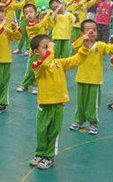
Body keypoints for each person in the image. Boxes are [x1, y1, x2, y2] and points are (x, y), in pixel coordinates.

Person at [29, 34, 88, 169]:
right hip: (44, 104)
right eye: (45, 47)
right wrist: (51, 49)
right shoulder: (37, 65)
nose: (50, 48)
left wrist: (84, 47)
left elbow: (77, 59)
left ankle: (48, 156)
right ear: (36, 52)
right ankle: (40, 153)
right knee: (42, 130)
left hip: (58, 104)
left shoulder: (59, 64)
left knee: (53, 131)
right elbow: (45, 62)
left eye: (50, 45)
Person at [69, 20, 113, 135]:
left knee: (93, 103)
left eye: (94, 29)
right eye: (88, 29)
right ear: (83, 32)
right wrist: (84, 40)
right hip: (81, 78)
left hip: (95, 80)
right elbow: (74, 45)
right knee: (80, 102)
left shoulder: (101, 45)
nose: (91, 31)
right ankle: (78, 121)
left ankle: (93, 123)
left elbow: (112, 49)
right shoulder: (80, 45)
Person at [16, 3, 55, 95]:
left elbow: (50, 25)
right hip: (34, 51)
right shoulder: (29, 26)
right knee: (31, 69)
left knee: (41, 68)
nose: (29, 14)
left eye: (31, 12)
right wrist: (46, 17)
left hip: (44, 51)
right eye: (26, 13)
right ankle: (25, 85)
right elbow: (38, 26)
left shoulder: (41, 22)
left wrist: (48, 18)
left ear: (36, 12)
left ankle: (36, 86)